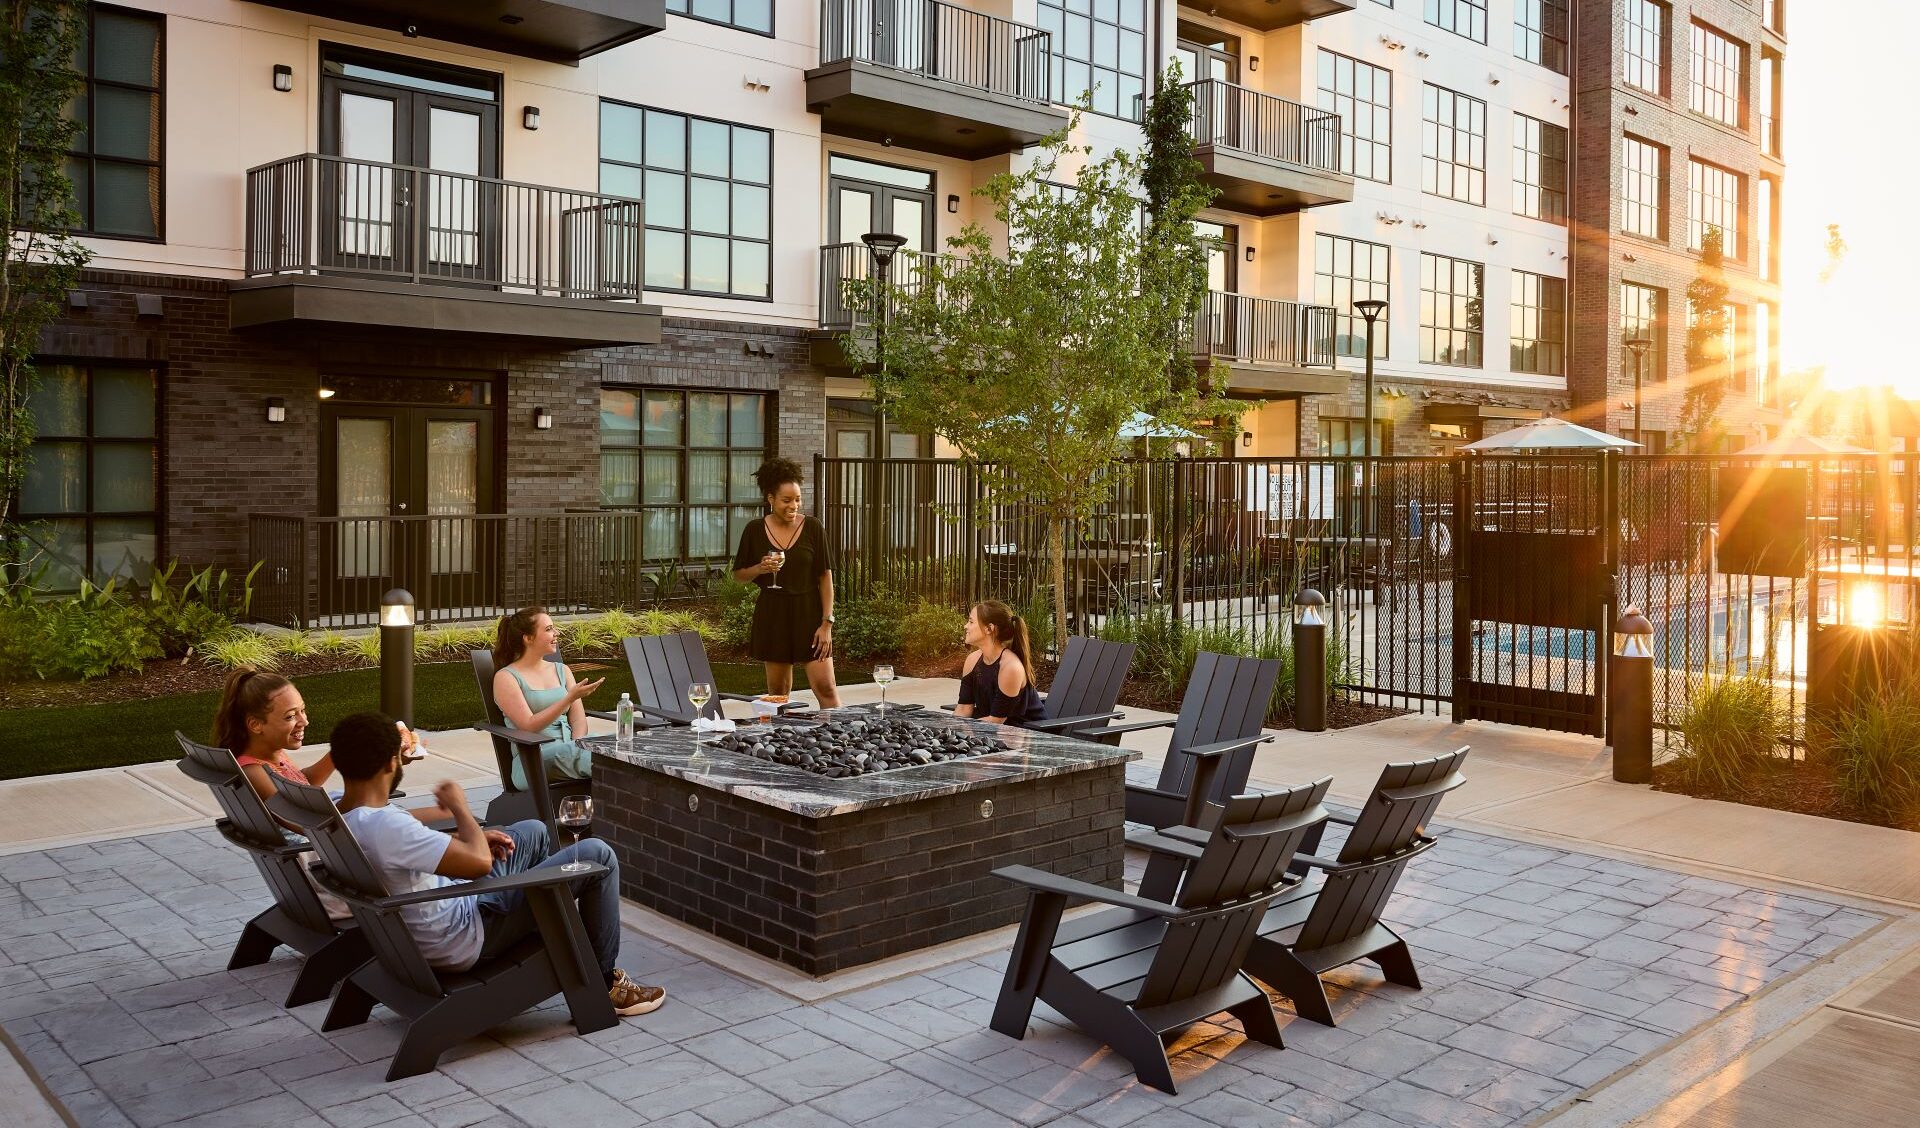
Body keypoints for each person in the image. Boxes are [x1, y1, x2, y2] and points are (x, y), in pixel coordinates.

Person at [327, 712, 664, 1016]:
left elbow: (410, 851)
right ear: (391, 763)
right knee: (596, 854)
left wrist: (474, 837)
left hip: (437, 916)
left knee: (532, 832)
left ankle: (550, 923)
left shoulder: (342, 814)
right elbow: (476, 864)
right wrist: (460, 808)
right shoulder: (388, 827)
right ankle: (604, 983)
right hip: (463, 934)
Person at [731, 457, 841, 707]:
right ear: (771, 499)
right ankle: (782, 733)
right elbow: (738, 576)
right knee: (778, 693)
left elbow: (825, 577)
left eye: (797, 500)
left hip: (809, 614)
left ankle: (840, 731)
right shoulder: (754, 530)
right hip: (774, 616)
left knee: (826, 687)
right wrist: (759, 568)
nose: (794, 505)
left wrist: (827, 623)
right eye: (787, 500)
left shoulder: (813, 527)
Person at [491, 607, 602, 789]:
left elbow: (578, 719)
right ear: (528, 638)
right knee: (601, 755)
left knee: (609, 744)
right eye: (549, 629)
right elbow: (528, 725)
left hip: (570, 750)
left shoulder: (562, 670)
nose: (556, 633)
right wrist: (568, 699)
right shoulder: (506, 677)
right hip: (532, 759)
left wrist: (577, 744)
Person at [954, 600, 1044, 726]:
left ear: (989, 628)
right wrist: (948, 729)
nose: (965, 626)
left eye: (971, 622)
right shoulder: (972, 660)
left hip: (1027, 732)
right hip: (990, 729)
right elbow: (964, 708)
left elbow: (996, 721)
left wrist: (960, 730)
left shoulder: (1010, 667)